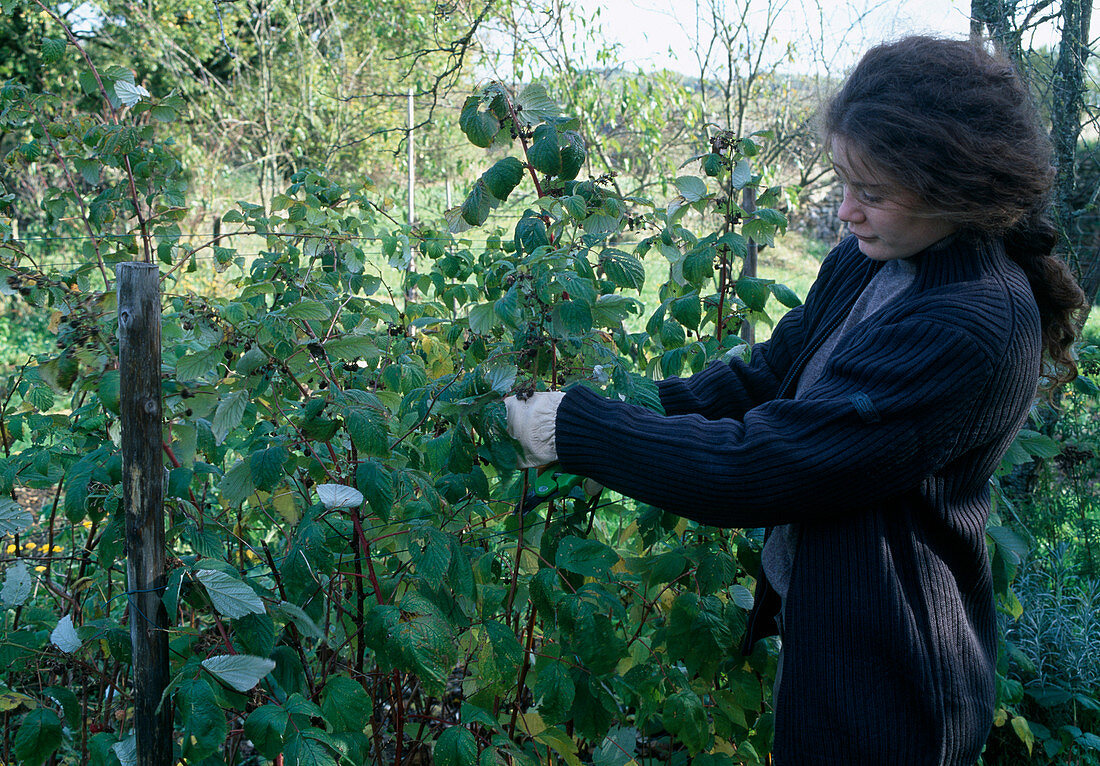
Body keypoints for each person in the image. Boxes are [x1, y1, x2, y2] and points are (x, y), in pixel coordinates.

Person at [504, 36, 1089, 765]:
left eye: (871, 193)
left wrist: (571, 426)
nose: (845, 211)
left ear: (954, 188)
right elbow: (769, 377)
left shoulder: (972, 324)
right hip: (831, 637)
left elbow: (765, 464)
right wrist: (623, 403)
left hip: (891, 688)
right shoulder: (874, 258)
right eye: (844, 181)